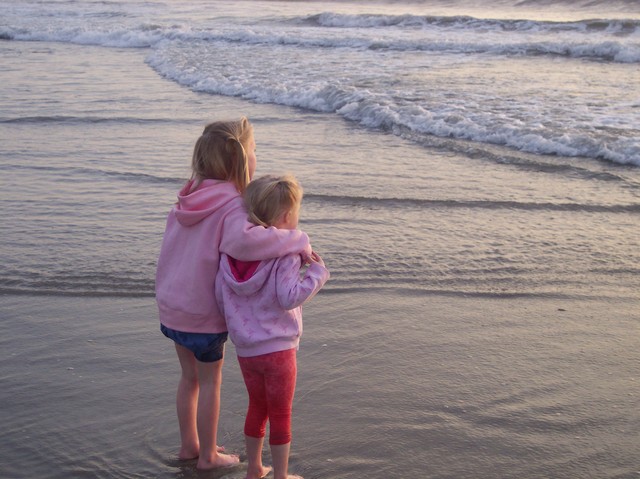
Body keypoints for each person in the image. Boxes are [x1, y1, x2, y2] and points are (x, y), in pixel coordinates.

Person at [155, 118, 311, 471]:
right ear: (241, 161)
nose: (257, 156)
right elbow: (248, 241)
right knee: (211, 380)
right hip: (203, 314)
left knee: (188, 378)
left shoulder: (189, 196)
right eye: (254, 150)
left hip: (172, 307)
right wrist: (298, 239)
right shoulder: (231, 205)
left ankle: (188, 445)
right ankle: (208, 455)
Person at [215, 174, 330, 479]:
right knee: (280, 414)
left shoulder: (231, 254)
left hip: (246, 349)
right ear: (284, 217)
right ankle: (280, 475)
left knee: (257, 408)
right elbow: (289, 296)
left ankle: (254, 469)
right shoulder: (286, 254)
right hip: (279, 349)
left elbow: (219, 295)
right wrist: (317, 273)